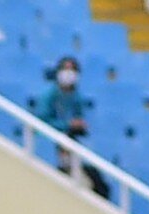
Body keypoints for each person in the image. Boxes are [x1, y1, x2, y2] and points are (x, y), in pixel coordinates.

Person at [29, 57, 104, 195]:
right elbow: (41, 122)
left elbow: (80, 120)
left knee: (97, 182)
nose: (68, 73)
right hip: (53, 141)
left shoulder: (77, 97)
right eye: (65, 69)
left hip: (71, 144)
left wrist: (79, 126)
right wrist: (66, 125)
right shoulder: (49, 96)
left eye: (72, 70)